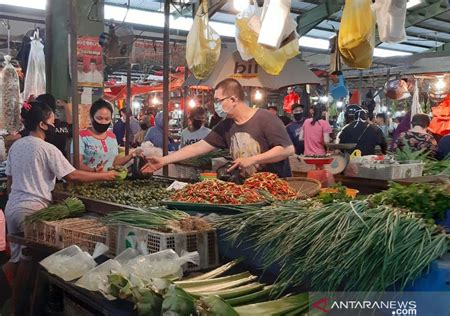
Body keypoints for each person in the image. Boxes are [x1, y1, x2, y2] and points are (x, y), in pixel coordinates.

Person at [3, 101, 117, 314]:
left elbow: (10, 180)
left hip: (13, 208)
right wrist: (105, 175)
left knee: (17, 259)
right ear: (42, 124)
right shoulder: (47, 148)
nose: (55, 123)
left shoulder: (17, 145)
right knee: (31, 262)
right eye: (52, 121)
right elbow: (72, 175)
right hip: (33, 210)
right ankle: (21, 309)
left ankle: (15, 306)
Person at [142, 79, 295, 177]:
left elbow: (287, 149)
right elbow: (197, 147)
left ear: (233, 99)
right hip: (248, 192)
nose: (215, 105)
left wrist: (252, 159)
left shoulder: (265, 118)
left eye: (218, 100)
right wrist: (163, 160)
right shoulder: (226, 125)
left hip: (275, 191)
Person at [78, 99, 137, 171]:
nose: (103, 122)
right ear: (91, 117)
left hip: (108, 180)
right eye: (99, 118)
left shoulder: (112, 136)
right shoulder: (81, 136)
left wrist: (132, 155)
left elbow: (114, 163)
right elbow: (77, 164)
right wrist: (94, 171)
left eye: (107, 119)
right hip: (87, 180)